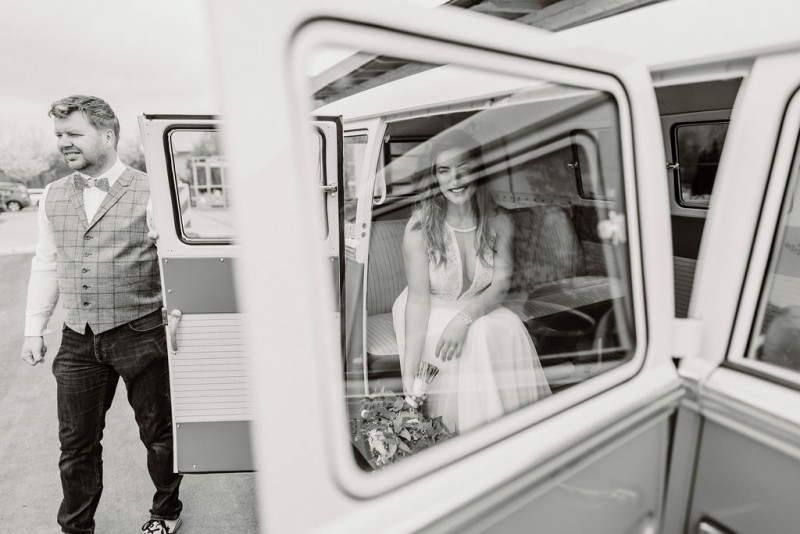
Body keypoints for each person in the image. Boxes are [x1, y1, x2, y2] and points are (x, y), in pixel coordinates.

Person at [19, 95, 183, 534]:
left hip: (141, 331)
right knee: (76, 444)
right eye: (59, 135)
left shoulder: (156, 191)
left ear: (107, 136)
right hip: (78, 337)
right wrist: (34, 329)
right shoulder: (52, 194)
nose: (64, 143)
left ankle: (166, 511)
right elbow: (46, 262)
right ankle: (75, 528)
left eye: (74, 133)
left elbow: (176, 261)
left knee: (160, 434)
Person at [392, 129, 550, 434]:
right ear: (435, 178)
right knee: (481, 335)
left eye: (463, 169)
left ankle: (509, 431)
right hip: (428, 307)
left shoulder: (499, 221)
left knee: (507, 327)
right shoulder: (420, 226)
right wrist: (409, 374)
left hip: (475, 305)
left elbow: (500, 285)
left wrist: (463, 320)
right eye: (444, 171)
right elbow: (418, 300)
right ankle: (478, 435)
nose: (455, 179)